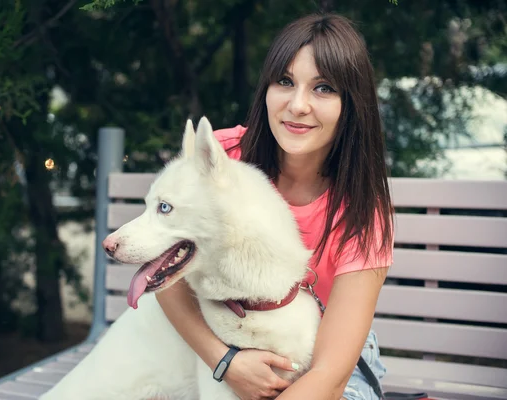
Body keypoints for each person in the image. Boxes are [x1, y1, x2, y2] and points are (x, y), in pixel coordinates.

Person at [156, 13, 394, 400]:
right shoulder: (222, 158)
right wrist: (226, 362)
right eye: (285, 81)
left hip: (323, 365)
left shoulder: (363, 210)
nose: (297, 105)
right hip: (223, 344)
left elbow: (331, 374)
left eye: (323, 88)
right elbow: (165, 266)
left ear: (351, 104)